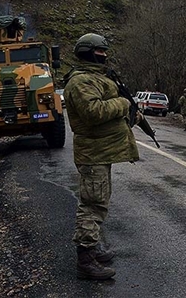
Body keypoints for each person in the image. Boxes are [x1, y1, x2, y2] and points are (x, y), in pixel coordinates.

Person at [63, 33, 141, 280]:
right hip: (93, 153)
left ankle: (92, 248)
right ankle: (85, 259)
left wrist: (131, 117)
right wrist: (123, 104)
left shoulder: (95, 77)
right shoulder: (81, 81)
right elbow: (94, 112)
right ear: (88, 52)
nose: (104, 56)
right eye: (100, 52)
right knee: (92, 204)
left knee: (100, 201)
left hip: (101, 151)